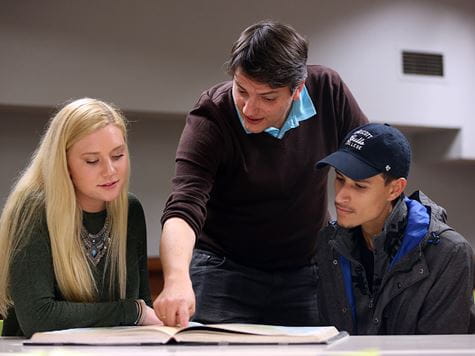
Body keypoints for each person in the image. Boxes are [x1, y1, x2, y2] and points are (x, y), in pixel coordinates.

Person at [154, 20, 368, 327]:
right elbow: (183, 207)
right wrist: (175, 279)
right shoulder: (212, 115)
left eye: (267, 98)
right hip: (221, 268)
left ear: (297, 90)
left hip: (305, 270)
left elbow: (370, 162)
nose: (249, 108)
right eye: (242, 90)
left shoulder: (328, 91)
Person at [0, 98, 161, 337]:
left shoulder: (131, 209)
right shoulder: (33, 209)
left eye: (118, 155)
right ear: (62, 163)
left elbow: (143, 306)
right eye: (92, 161)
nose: (110, 170)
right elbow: (38, 318)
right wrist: (130, 312)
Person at [315, 123, 475, 334]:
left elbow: (440, 351)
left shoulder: (449, 254)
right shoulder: (329, 242)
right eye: (340, 179)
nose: (340, 196)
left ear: (395, 189)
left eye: (360, 186)